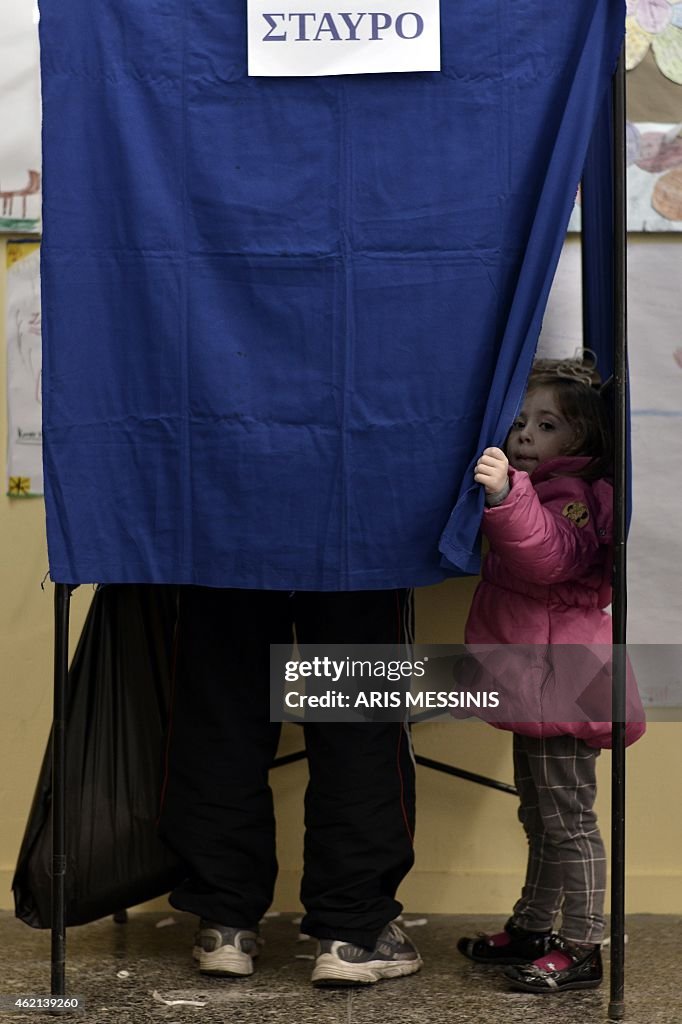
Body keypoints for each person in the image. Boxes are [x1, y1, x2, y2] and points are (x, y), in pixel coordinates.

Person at [456, 364, 645, 994]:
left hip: (560, 680)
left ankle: (584, 944)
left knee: (569, 820)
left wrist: (507, 497)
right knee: (539, 815)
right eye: (518, 422)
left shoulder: (575, 494)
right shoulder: (543, 483)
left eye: (546, 424)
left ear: (582, 436)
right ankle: (535, 925)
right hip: (531, 677)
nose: (524, 435)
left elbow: (550, 558)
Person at [157, 587, 422, 986]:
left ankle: (225, 924)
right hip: (355, 537)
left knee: (222, 712)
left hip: (219, 535)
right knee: (353, 709)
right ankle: (351, 932)